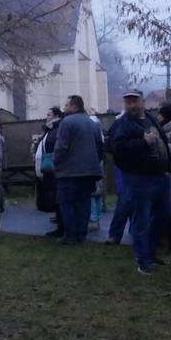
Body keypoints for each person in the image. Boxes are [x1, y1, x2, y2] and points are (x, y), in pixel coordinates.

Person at [108, 89, 171, 275]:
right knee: (141, 220)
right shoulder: (123, 124)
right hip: (139, 178)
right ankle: (143, 259)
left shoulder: (151, 119)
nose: (131, 105)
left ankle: (150, 251)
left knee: (165, 214)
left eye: (134, 101)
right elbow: (117, 148)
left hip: (160, 176)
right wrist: (143, 142)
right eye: (128, 102)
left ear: (143, 102)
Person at [51, 95, 105, 245]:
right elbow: (100, 148)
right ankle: (82, 235)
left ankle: (70, 235)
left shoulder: (67, 122)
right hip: (89, 171)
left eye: (66, 105)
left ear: (74, 106)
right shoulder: (93, 124)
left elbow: (61, 146)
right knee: (84, 203)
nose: (64, 108)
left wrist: (55, 161)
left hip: (69, 171)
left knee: (66, 202)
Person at [37, 107, 65, 237]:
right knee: (54, 198)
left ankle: (62, 228)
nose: (46, 117)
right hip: (49, 167)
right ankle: (60, 226)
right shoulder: (50, 130)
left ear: (56, 116)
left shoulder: (57, 130)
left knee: (58, 198)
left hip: (54, 168)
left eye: (49, 115)